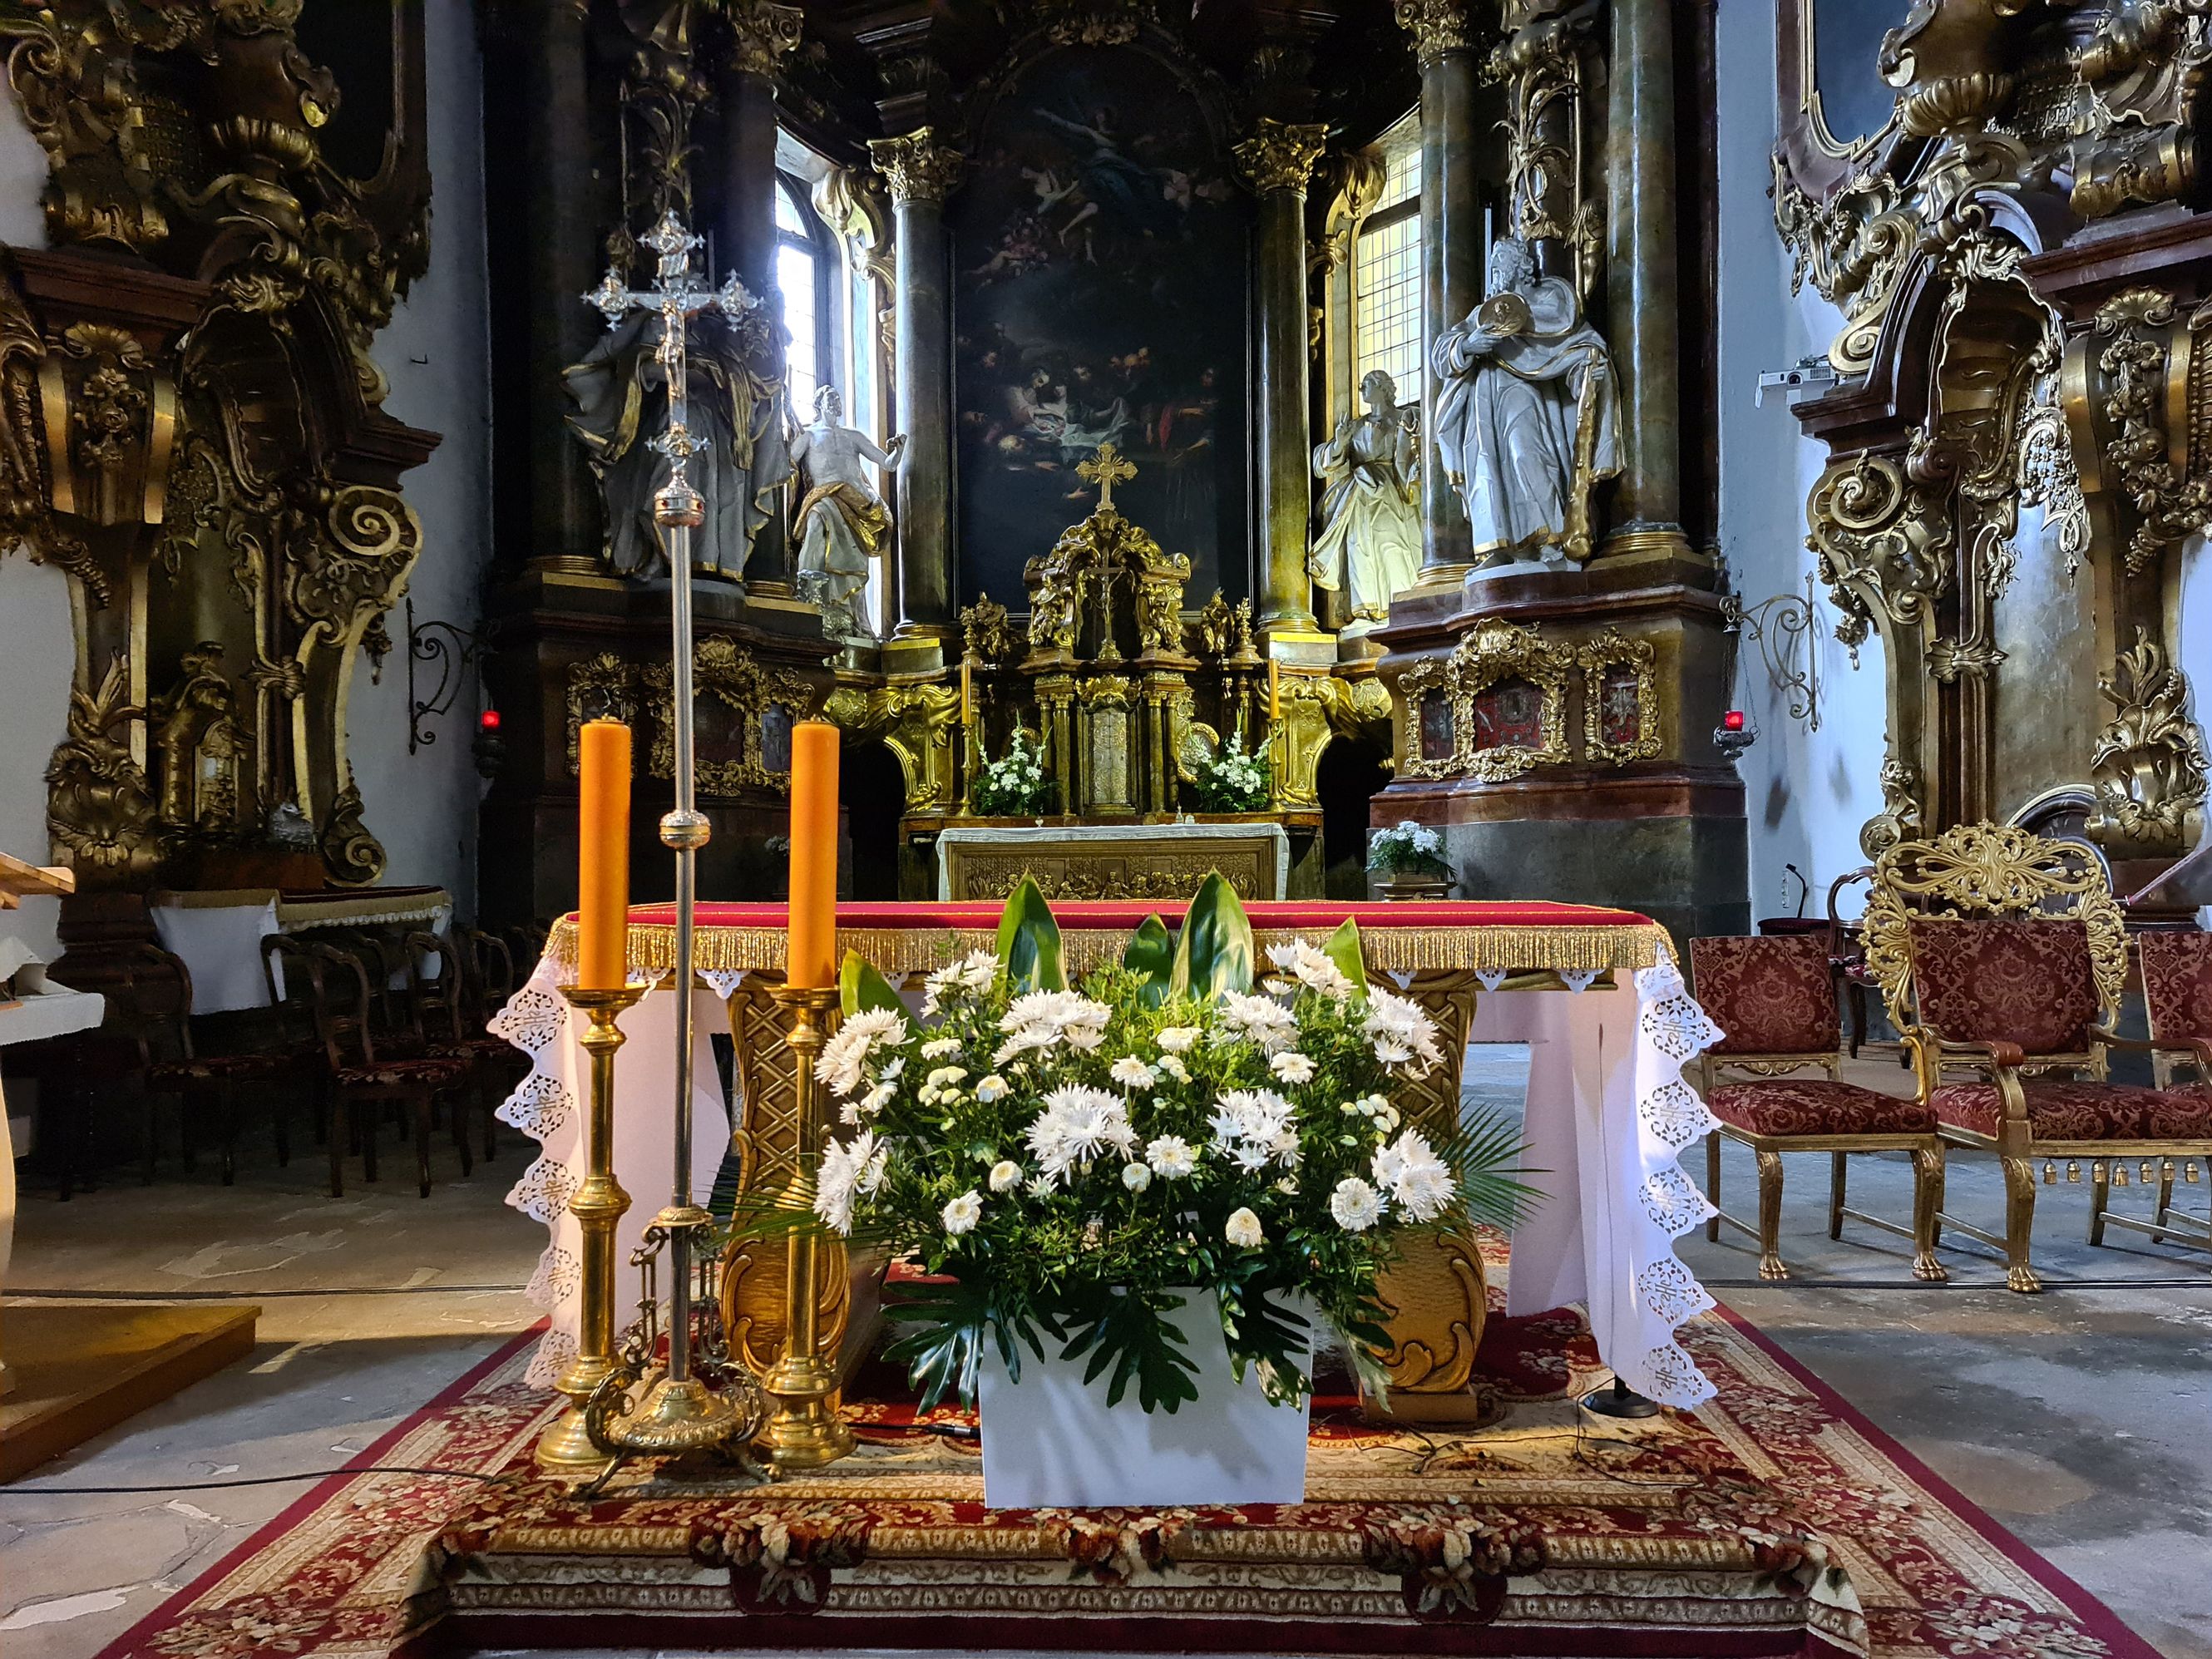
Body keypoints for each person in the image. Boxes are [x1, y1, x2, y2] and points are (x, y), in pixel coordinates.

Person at [1430, 236, 1617, 565]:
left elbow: (1580, 351)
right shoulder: (1485, 314)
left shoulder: (1549, 308)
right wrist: (1469, 345)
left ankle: (1549, 539)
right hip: (1484, 401)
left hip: (1523, 395)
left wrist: (1586, 375)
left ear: (1520, 267)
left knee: (1527, 454)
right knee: (1485, 469)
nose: (1494, 274)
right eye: (1492, 268)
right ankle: (1497, 547)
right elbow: (1442, 351)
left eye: (1499, 266)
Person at [788, 385, 906, 640]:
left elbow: (887, 464)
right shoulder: (808, 436)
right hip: (824, 497)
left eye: (838, 398)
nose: (836, 402)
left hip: (857, 504)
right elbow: (787, 462)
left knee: (853, 559)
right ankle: (808, 596)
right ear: (819, 403)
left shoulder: (853, 436)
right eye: (831, 398)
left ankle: (849, 614)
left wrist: (898, 449)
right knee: (816, 523)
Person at [1310, 370, 1422, 634]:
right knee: (1359, 548)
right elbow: (1322, 466)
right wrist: (1340, 441)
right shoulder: (1355, 426)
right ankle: (1366, 611)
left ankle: (1398, 606)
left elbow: (1414, 454)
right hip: (1359, 493)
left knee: (1393, 546)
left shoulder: (1404, 418)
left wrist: (1414, 478)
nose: (1362, 389)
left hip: (1392, 491)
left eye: (1368, 384)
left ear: (1385, 388)